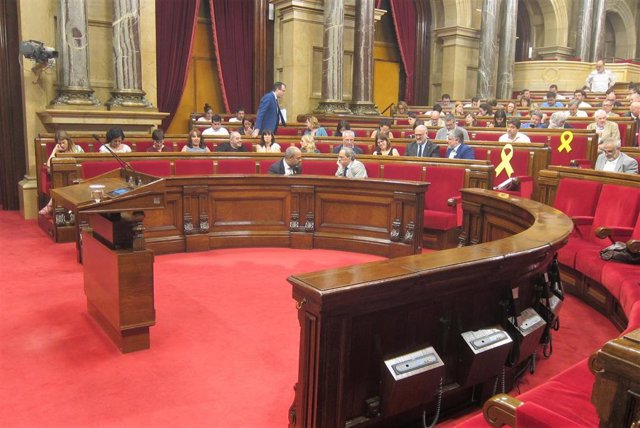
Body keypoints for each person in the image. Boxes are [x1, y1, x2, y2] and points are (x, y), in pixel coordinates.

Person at [39, 130, 85, 216]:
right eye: (59, 143)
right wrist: (54, 151)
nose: (62, 145)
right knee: (63, 181)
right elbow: (49, 166)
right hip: (65, 177)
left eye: (63, 142)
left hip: (78, 177)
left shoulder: (78, 149)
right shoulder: (58, 152)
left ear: (68, 140)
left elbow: (85, 163)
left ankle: (50, 206)